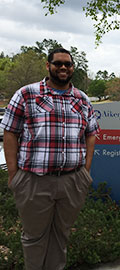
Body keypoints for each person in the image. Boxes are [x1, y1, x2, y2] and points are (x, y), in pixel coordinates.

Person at [0, 48, 100, 270]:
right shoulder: (26, 94)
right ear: (48, 66)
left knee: (61, 236)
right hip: (34, 181)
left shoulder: (81, 99)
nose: (63, 68)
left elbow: (91, 133)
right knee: (34, 238)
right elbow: (10, 132)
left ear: (73, 67)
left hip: (72, 181)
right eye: (58, 63)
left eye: (68, 64)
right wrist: (14, 175)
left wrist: (86, 171)